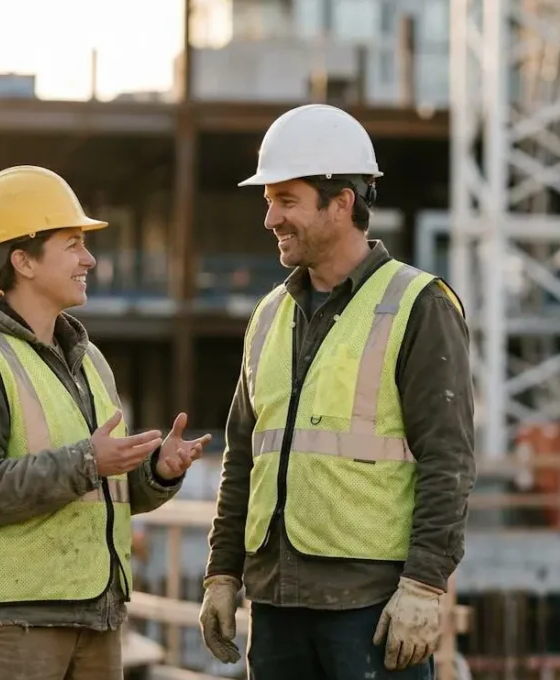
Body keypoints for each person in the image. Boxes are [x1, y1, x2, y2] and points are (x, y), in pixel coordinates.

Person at [198, 103, 476, 679]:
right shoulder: (269, 316)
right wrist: (222, 574)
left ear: (342, 202)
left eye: (287, 200)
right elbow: (244, 457)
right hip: (276, 606)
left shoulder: (418, 306)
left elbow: (448, 459)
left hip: (370, 610)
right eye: (268, 200)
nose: (270, 218)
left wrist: (425, 585)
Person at [0, 165, 212, 680]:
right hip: (11, 627)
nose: (90, 259)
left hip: (95, 618)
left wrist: (156, 474)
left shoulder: (87, 359)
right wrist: (87, 461)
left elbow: (103, 493)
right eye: (73, 243)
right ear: (23, 260)